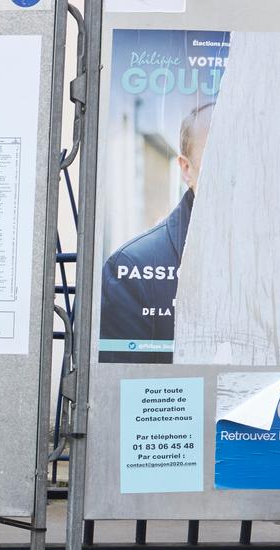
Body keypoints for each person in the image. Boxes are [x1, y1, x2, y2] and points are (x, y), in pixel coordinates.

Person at [98, 102, 213, 363]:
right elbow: (125, 393)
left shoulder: (278, 259)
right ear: (186, 169)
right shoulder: (130, 270)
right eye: (215, 154)